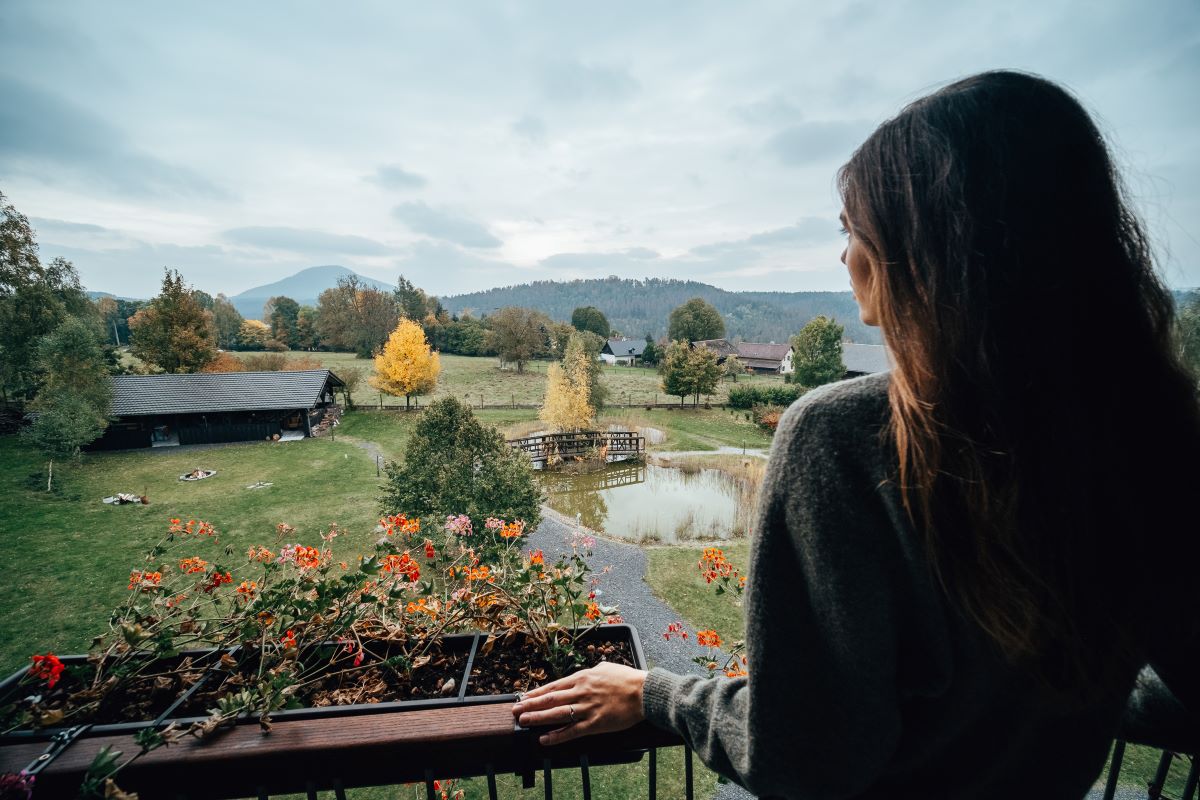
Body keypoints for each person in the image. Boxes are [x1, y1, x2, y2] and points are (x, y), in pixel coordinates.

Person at [512, 70, 1200, 798]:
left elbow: (802, 754)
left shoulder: (844, 440)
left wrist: (654, 694)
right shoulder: (1153, 439)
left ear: (916, 260)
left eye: (853, 231)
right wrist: (1080, 690)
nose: (845, 257)